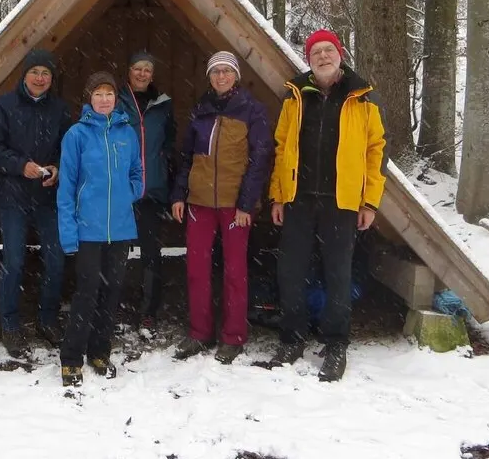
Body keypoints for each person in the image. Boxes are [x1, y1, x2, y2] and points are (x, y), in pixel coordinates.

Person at [266, 29, 387, 382]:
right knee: (290, 272)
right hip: (298, 199)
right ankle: (292, 337)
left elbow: (375, 153)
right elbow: (281, 147)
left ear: (340, 54)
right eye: (316, 52)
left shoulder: (362, 99)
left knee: (338, 274)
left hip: (342, 201)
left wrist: (370, 202)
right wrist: (277, 195)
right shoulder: (295, 97)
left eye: (328, 51)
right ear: (308, 58)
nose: (322, 56)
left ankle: (336, 345)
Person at [170, 51, 273, 365]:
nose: (221, 77)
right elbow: (187, 157)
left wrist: (246, 203)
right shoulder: (201, 110)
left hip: (234, 206)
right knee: (196, 269)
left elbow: (260, 159)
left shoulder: (252, 110)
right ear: (209, 77)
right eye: (215, 72)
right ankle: (200, 332)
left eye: (226, 71)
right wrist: (178, 194)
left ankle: (234, 335)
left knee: (235, 272)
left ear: (236, 76)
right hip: (199, 202)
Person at [0, 48, 74, 358]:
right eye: (35, 72)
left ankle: (48, 319)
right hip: (12, 197)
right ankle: (10, 324)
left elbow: (69, 147)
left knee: (57, 259)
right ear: (25, 75)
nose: (40, 78)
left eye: (46, 73)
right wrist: (21, 165)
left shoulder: (60, 109)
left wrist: (59, 167)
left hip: (47, 197)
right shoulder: (5, 106)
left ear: (52, 78)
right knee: (14, 262)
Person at [56, 71, 144, 386]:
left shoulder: (126, 132)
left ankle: (99, 352)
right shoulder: (76, 135)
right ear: (89, 98)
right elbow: (66, 187)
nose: (104, 99)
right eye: (98, 94)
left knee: (111, 293)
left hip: (120, 230)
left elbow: (137, 169)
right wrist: (68, 233)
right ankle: (71, 358)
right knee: (86, 294)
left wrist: (132, 191)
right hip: (87, 231)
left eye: (109, 94)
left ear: (115, 98)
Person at [115, 51, 176, 333]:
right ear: (128, 71)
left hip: (152, 192)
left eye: (147, 70)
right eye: (137, 68)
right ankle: (114, 308)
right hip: (121, 193)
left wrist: (170, 184)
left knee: (151, 254)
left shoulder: (162, 104)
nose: (142, 74)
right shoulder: (115, 100)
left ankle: (149, 312)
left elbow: (170, 147)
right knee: (117, 254)